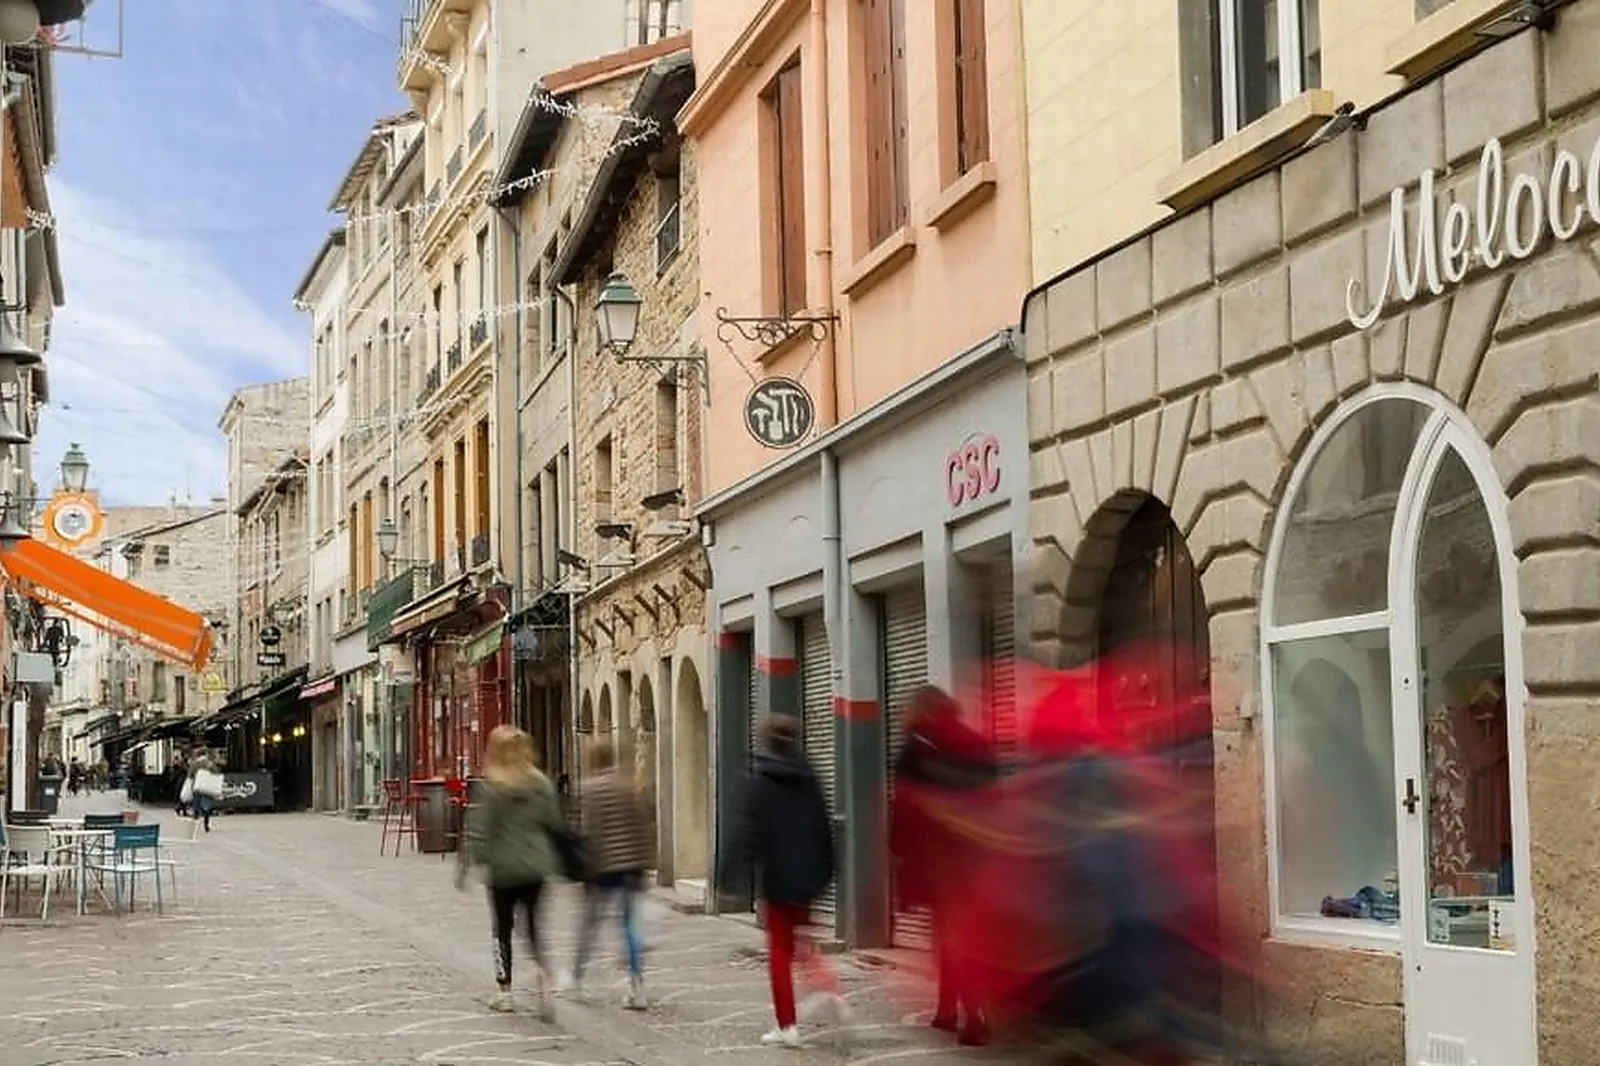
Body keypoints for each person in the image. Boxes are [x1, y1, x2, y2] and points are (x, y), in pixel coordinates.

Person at [721, 714, 847, 1048]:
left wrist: (728, 873)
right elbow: (823, 827)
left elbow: (746, 831)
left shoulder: (758, 779)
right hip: (807, 876)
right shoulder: (809, 777)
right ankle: (828, 987)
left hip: (776, 877)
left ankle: (787, 1024)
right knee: (803, 940)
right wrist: (827, 871)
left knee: (779, 949)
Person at [889, 685, 998, 1046]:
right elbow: (993, 797)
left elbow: (905, 806)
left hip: (938, 859)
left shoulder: (916, 748)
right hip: (976, 856)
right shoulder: (976, 742)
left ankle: (972, 1012)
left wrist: (899, 849)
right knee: (961, 933)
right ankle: (947, 1008)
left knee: (950, 936)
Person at [465, 724, 563, 1018]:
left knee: (502, 930)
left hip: (503, 868)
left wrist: (478, 860)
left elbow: (482, 830)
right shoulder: (541, 784)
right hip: (536, 866)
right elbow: (554, 822)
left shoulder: (492, 786)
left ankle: (504, 991)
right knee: (534, 927)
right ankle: (544, 982)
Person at [561, 737, 652, 1009]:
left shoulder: (588, 789)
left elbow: (590, 832)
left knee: (589, 925)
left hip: (603, 869)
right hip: (632, 866)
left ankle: (576, 979)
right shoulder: (628, 786)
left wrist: (586, 869)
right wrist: (646, 863)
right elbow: (642, 826)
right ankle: (637, 987)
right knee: (629, 927)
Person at [186, 747, 220, 832]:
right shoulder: (209, 763)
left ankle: (194, 824)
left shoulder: (194, 764)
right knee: (207, 806)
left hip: (196, 787)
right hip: (207, 787)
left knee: (196, 804)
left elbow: (190, 775)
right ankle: (206, 825)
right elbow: (216, 772)